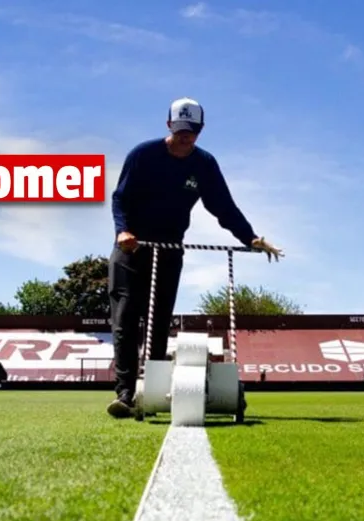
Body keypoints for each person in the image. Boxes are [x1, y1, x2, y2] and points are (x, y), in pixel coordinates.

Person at [106, 97, 283, 418]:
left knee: (158, 322)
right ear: (169, 125)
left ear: (201, 130)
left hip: (170, 249)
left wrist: (250, 238)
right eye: (181, 130)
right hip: (132, 249)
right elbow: (120, 198)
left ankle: (155, 389)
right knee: (126, 320)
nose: (186, 137)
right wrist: (123, 230)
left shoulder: (204, 164)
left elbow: (223, 207)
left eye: (193, 131)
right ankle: (126, 392)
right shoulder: (142, 155)